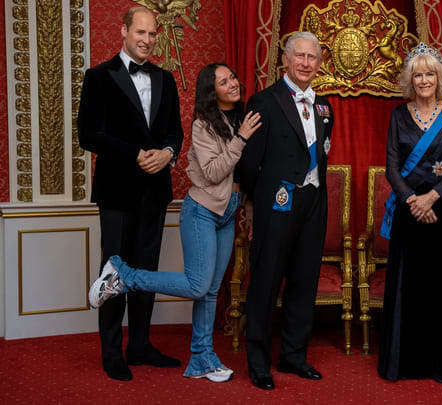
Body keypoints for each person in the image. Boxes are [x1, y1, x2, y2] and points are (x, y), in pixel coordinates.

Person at [87, 62, 262, 383]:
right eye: (224, 82)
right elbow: (213, 172)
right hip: (202, 211)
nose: (233, 83)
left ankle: (201, 359)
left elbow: (246, 171)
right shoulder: (204, 125)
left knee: (210, 292)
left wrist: (247, 203)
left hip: (229, 210)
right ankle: (122, 275)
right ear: (213, 92)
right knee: (197, 286)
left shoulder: (243, 117)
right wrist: (241, 138)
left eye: (233, 77)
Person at [78, 6, 184, 381]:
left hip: (155, 192)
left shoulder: (165, 79)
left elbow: (175, 131)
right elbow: (88, 135)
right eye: (140, 32)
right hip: (116, 192)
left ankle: (140, 345)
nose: (147, 40)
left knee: (146, 273)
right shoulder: (98, 76)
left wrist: (168, 153)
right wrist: (136, 154)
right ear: (123, 31)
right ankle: (111, 352)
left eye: (152, 34)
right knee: (115, 273)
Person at [236, 31, 333, 391]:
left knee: (304, 281)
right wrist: (253, 200)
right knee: (265, 282)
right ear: (286, 60)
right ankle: (259, 363)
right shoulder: (264, 101)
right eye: (300, 57)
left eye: (312, 58)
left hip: (313, 204)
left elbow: (323, 152)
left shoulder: (325, 106)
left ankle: (293, 356)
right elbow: (248, 163)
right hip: (277, 202)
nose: (306, 64)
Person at [377, 42, 442, 382]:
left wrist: (432, 197)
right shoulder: (398, 115)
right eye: (419, 75)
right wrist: (413, 201)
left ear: (440, 78)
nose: (425, 80)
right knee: (408, 285)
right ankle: (406, 362)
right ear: (410, 80)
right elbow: (391, 166)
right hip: (408, 211)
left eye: (430, 74)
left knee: (440, 284)